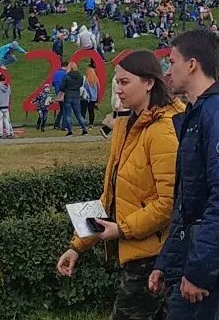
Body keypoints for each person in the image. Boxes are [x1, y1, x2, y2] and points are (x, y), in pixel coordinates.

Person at [55, 49, 182, 320]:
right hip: (136, 254)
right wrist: (77, 245)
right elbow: (109, 197)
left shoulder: (162, 130)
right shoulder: (124, 125)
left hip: (153, 258)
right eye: (117, 82)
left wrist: (122, 230)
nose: (118, 90)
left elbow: (168, 203)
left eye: (125, 82)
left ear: (148, 83)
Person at [152, 28, 219, 319]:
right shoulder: (198, 113)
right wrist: (168, 261)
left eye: (171, 62)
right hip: (213, 257)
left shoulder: (218, 114)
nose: (167, 71)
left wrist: (200, 270)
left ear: (192, 64)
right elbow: (188, 200)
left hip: (212, 262)